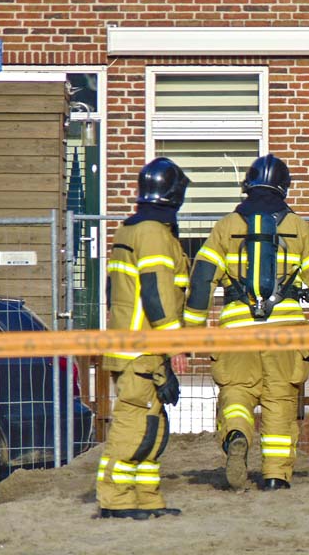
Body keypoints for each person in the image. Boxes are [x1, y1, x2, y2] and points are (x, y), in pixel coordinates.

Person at [185, 153, 309, 491]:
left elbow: (201, 282)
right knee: (280, 403)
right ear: (284, 188)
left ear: (247, 186)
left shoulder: (227, 226)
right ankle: (274, 477)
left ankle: (238, 434)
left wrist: (191, 334)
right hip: (287, 336)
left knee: (237, 394)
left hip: (236, 334)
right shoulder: (298, 227)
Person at [96, 157, 191, 520]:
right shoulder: (152, 233)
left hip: (137, 345)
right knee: (134, 423)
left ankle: (146, 499)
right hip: (143, 348)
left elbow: (115, 292)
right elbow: (156, 292)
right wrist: (175, 344)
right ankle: (116, 499)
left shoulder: (130, 230)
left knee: (152, 425)